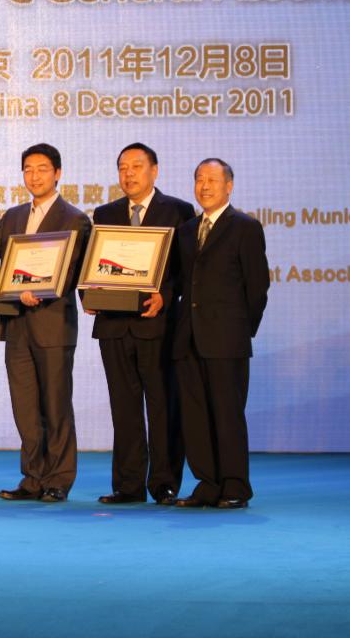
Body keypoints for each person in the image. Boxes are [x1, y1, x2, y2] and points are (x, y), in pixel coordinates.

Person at [0, 143, 90, 503]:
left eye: (42, 169)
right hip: (16, 325)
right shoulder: (13, 216)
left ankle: (59, 479)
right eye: (28, 169)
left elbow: (72, 270)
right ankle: (33, 478)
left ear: (58, 173)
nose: (35, 176)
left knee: (56, 407)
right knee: (26, 408)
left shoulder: (75, 218)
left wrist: (40, 291)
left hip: (53, 325)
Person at [88, 143, 195, 506]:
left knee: (163, 405)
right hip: (114, 325)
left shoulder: (178, 211)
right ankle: (128, 485)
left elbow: (188, 269)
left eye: (136, 166)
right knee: (124, 407)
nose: (128, 174)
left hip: (157, 323)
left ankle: (164, 483)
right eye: (122, 167)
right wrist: (91, 293)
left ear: (155, 171)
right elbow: (95, 266)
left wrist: (166, 294)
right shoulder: (105, 213)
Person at [172, 158, 269, 509]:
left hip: (227, 339)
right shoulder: (186, 230)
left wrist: (241, 332)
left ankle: (234, 485)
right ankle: (207, 483)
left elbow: (257, 288)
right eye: (199, 179)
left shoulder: (245, 227)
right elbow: (182, 284)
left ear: (229, 185)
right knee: (195, 416)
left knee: (227, 414)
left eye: (212, 179)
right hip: (188, 339)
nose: (205, 186)